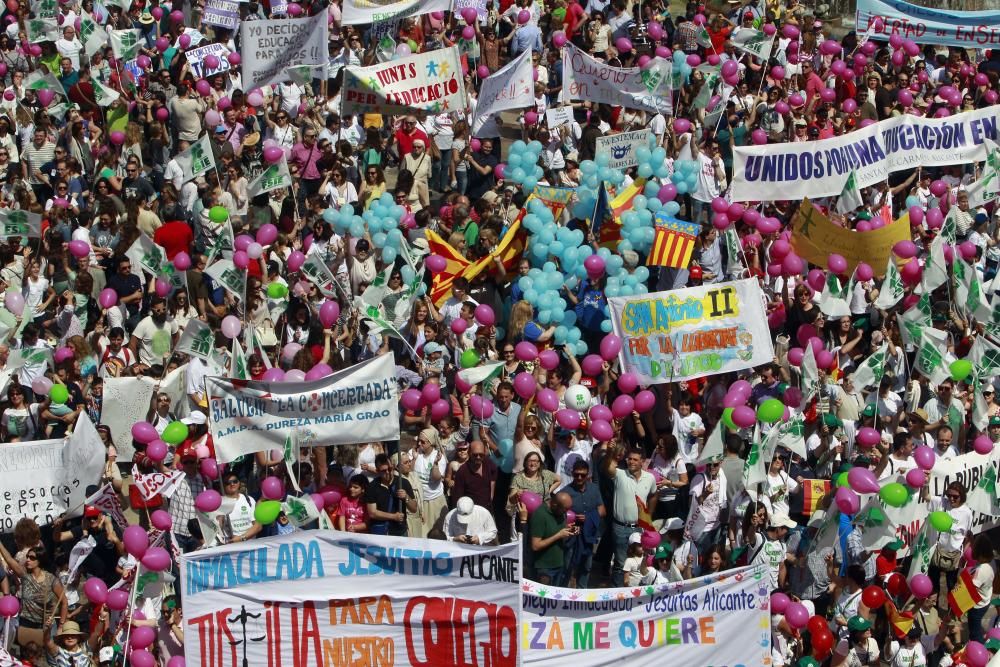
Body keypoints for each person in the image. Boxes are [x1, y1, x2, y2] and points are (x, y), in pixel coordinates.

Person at [601, 443, 656, 586]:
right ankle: (616, 594)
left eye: (635, 459)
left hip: (639, 528)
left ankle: (632, 595)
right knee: (620, 564)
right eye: (629, 459)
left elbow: (654, 495)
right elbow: (607, 468)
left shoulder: (650, 478)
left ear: (643, 461)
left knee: (637, 563)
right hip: (620, 528)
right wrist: (610, 453)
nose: (631, 462)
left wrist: (649, 514)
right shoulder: (620, 474)